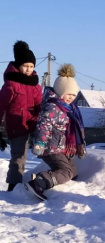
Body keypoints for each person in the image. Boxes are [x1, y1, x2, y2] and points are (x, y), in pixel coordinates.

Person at [24, 63, 86, 201]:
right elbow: (43, 126)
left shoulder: (68, 109)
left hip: (60, 148)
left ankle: (51, 181)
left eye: (73, 95)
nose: (71, 98)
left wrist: (80, 146)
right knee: (66, 171)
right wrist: (39, 143)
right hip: (50, 149)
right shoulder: (53, 108)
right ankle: (38, 183)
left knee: (73, 171)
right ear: (60, 91)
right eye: (68, 94)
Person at [0, 41, 42, 191]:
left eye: (31, 66)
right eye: (25, 66)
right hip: (17, 126)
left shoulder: (36, 86)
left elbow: (40, 106)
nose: (28, 69)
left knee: (46, 153)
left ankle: (44, 181)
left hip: (35, 125)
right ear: (18, 65)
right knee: (19, 156)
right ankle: (13, 186)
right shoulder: (10, 85)